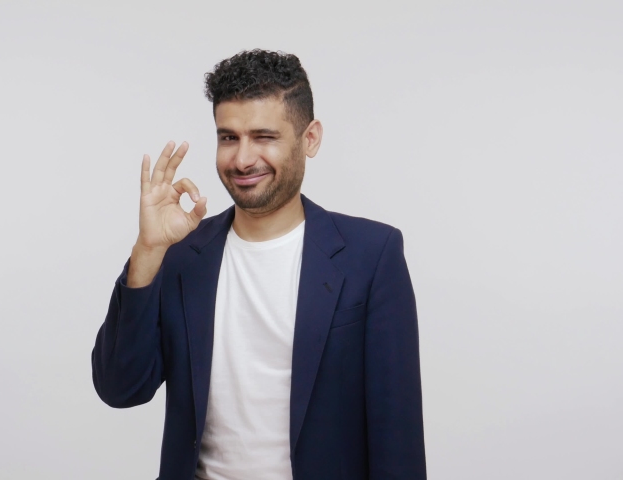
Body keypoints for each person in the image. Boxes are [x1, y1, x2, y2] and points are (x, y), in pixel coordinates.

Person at [92, 49, 427, 480]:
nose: (242, 159)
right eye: (229, 138)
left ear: (310, 138)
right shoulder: (180, 254)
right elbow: (120, 388)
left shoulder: (372, 254)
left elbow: (397, 434)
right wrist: (147, 250)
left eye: (264, 137)